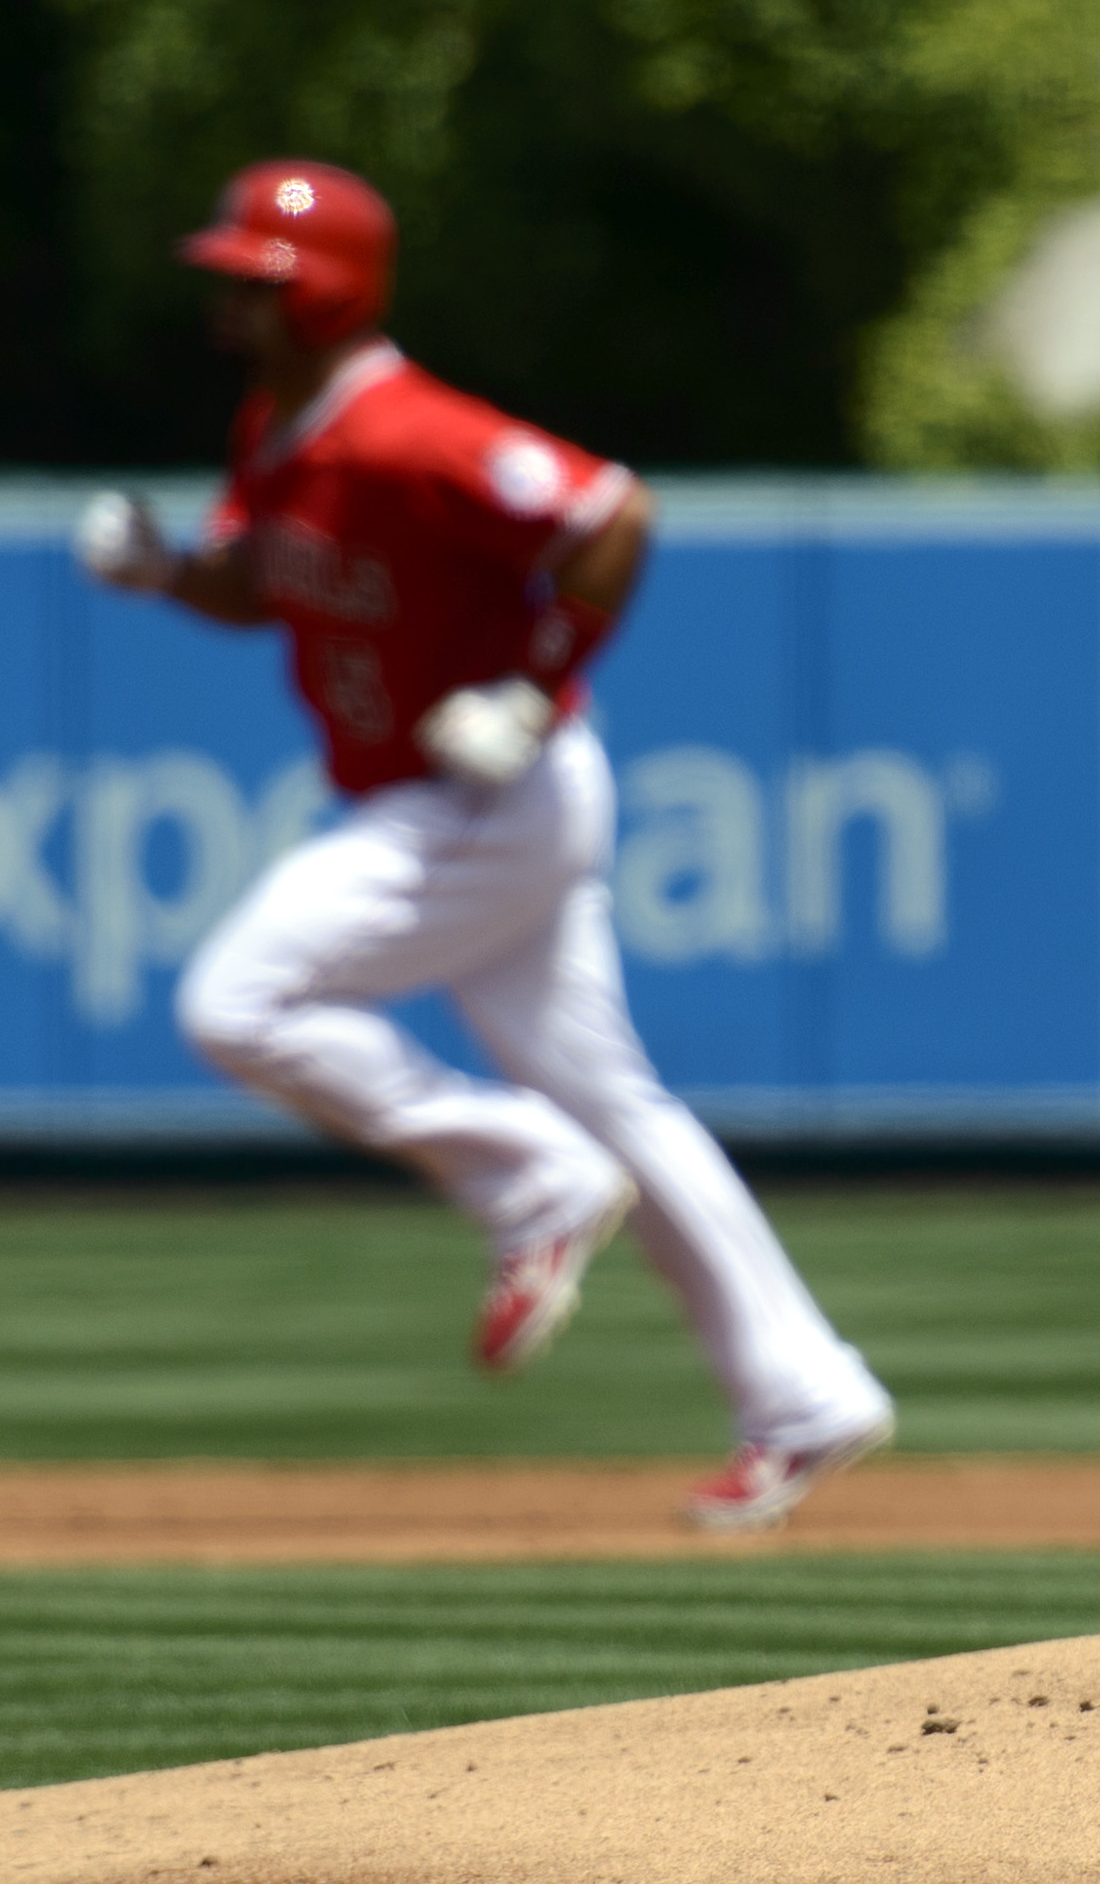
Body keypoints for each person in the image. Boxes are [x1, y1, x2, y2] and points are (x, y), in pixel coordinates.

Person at [78, 159, 898, 1532]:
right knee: (621, 1100)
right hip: (444, 803)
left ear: (326, 291)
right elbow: (257, 583)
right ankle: (809, 1393)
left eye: (252, 282)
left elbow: (607, 514)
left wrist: (532, 683)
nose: (226, 302)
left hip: (480, 799)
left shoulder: (410, 433)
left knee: (238, 1000)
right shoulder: (277, 425)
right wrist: (165, 568)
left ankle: (529, 1178)